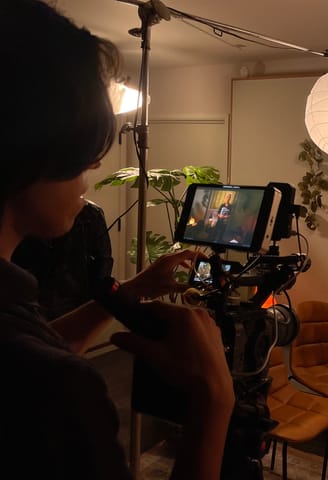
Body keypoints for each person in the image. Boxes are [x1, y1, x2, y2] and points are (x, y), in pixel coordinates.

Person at [0, 2, 234, 480]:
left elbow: (37, 345)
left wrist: (131, 292)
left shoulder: (15, 319)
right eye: (85, 145)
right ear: (29, 144)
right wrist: (214, 402)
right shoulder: (61, 393)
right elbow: (40, 368)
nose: (92, 166)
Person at [12, 199, 114, 320]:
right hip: (30, 306)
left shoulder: (90, 214)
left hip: (73, 302)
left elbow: (103, 263)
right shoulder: (19, 211)